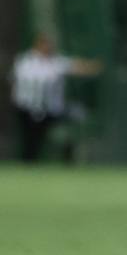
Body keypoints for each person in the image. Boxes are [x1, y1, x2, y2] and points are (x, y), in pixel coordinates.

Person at [10, 33, 101, 162]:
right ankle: (28, 163)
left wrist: (95, 66)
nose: (48, 48)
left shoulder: (56, 62)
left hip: (51, 110)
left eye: (50, 45)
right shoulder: (25, 61)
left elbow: (77, 66)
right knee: (30, 140)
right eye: (46, 45)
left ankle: (68, 159)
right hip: (26, 108)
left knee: (75, 119)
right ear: (38, 45)